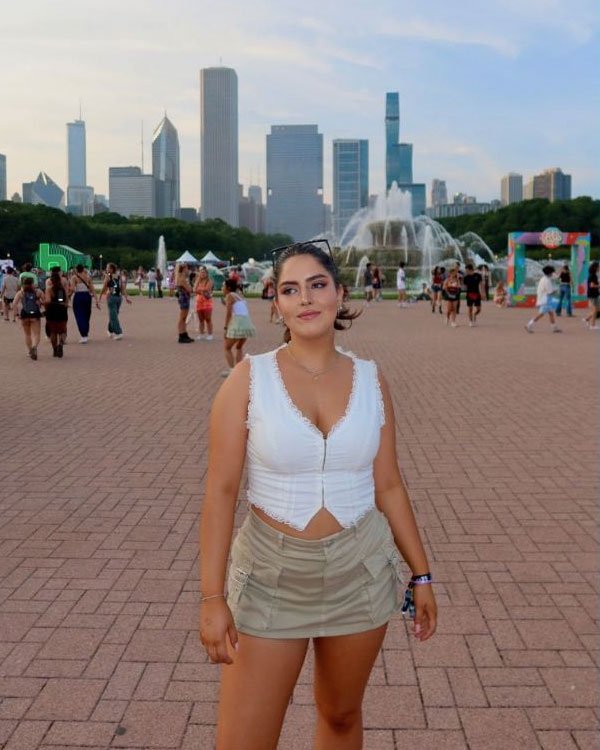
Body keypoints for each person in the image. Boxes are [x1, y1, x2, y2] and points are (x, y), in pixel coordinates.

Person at [199, 242, 437, 749]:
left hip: (361, 572)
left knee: (342, 716)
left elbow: (389, 483)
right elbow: (220, 491)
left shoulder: (372, 379)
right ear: (277, 305)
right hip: (270, 576)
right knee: (243, 741)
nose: (305, 298)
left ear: (339, 293)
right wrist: (212, 597)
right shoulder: (248, 380)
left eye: (317, 284)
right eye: (290, 289)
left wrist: (422, 574)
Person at [221, 277, 256, 376]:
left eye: (223, 286)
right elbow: (238, 307)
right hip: (247, 323)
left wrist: (225, 328)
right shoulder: (239, 295)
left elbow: (228, 314)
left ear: (228, 288)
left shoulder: (229, 296)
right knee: (239, 347)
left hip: (239, 322)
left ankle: (232, 370)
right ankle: (238, 370)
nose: (222, 288)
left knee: (227, 347)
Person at [12, 276, 45, 359]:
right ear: (33, 283)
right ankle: (34, 347)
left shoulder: (21, 292)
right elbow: (45, 301)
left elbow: (14, 303)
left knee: (27, 334)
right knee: (36, 334)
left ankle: (30, 351)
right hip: (35, 315)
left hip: (25, 314)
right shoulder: (38, 291)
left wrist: (16, 314)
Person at [98, 263, 131, 339]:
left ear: (111, 269)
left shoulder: (108, 276)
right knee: (114, 315)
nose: (106, 269)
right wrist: (126, 297)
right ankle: (110, 330)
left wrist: (99, 296)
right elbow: (122, 288)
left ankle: (118, 332)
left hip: (112, 298)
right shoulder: (118, 276)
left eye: (107, 267)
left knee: (113, 315)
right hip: (118, 298)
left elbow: (104, 288)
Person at [525, 265, 561, 333]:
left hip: (544, 299)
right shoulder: (547, 281)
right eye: (552, 272)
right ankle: (528, 325)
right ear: (550, 273)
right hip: (546, 300)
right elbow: (550, 292)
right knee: (541, 314)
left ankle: (554, 328)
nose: (553, 274)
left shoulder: (543, 279)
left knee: (551, 313)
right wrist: (556, 290)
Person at [69, 263, 100, 343]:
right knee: (87, 314)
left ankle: (83, 335)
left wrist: (68, 296)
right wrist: (97, 300)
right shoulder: (88, 277)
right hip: (87, 296)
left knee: (79, 315)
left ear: (76, 269)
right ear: (83, 269)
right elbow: (92, 289)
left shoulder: (74, 277)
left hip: (78, 296)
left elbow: (72, 289)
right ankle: (85, 333)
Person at [45, 266, 69, 357]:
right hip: (62, 311)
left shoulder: (49, 289)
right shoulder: (62, 288)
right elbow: (66, 300)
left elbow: (47, 301)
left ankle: (55, 349)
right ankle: (61, 344)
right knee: (63, 330)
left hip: (51, 311)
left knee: (53, 331)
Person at [194, 266, 214, 340]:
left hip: (207, 302)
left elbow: (207, 290)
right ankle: (201, 334)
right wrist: (201, 290)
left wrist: (199, 290)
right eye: (201, 272)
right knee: (201, 319)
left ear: (206, 273)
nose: (202, 274)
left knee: (208, 319)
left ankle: (210, 334)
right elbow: (194, 289)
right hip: (199, 302)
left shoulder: (209, 281)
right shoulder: (198, 280)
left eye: (204, 272)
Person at [175, 263, 194, 343]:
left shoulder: (180, 277)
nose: (188, 270)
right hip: (184, 298)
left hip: (183, 298)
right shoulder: (182, 278)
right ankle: (181, 335)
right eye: (187, 268)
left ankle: (184, 333)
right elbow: (190, 289)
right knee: (182, 318)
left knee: (183, 317)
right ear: (183, 269)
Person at [582, 261, 599, 330]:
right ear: (595, 268)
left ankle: (587, 319)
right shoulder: (593, 275)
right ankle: (592, 325)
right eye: (598, 267)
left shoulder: (594, 275)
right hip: (592, 294)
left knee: (597, 309)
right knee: (595, 310)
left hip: (595, 294)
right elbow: (592, 285)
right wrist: (599, 285)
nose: (599, 268)